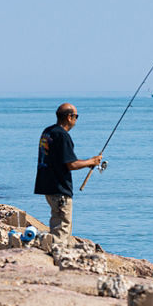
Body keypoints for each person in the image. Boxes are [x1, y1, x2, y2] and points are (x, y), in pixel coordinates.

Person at [35, 103, 102, 250]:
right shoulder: (62, 135)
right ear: (69, 117)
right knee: (62, 229)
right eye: (76, 116)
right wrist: (92, 161)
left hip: (47, 186)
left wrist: (88, 163)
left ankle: (53, 252)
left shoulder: (48, 132)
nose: (76, 120)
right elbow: (70, 164)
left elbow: (59, 160)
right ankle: (57, 260)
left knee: (57, 223)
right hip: (59, 189)